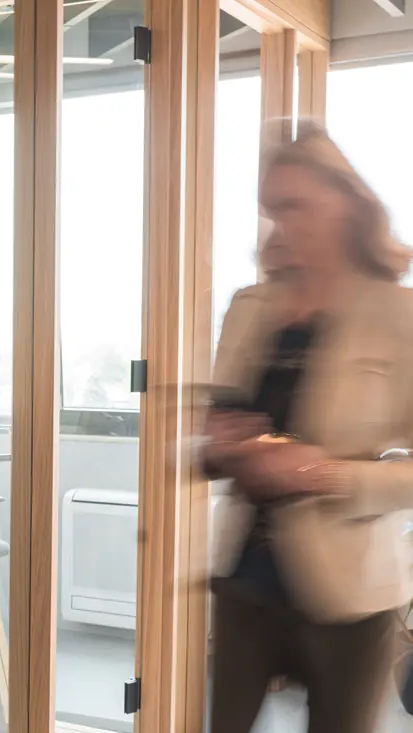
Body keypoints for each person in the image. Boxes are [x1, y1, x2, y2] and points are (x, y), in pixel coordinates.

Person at [204, 124, 411, 733]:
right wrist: (214, 446)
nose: (281, 225)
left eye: (297, 206)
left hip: (350, 594)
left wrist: (320, 473)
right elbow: (216, 430)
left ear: (347, 202)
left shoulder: (398, 315)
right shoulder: (249, 305)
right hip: (246, 583)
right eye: (272, 210)